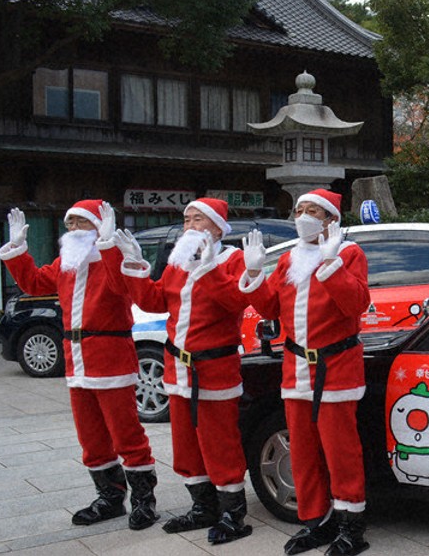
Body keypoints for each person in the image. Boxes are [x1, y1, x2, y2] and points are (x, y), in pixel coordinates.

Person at [0, 201, 159, 530]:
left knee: (127, 435)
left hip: (111, 356)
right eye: (69, 224)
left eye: (80, 223)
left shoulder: (114, 260)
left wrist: (110, 246)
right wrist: (17, 250)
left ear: (98, 227)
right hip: (78, 359)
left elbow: (119, 287)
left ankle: (144, 501)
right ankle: (110, 498)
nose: (72, 230)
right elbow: (34, 283)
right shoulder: (66, 263)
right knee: (91, 437)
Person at [239, 189, 371, 556]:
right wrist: (253, 273)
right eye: (300, 209)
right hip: (296, 368)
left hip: (336, 368)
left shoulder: (349, 254)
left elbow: (356, 304)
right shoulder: (289, 259)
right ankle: (317, 521)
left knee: (340, 451)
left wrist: (331, 267)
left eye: (313, 210)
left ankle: (351, 526)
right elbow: (270, 307)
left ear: (331, 219)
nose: (304, 216)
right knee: (302, 450)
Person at [116, 198, 252, 543]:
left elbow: (236, 301)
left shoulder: (232, 260)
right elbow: (154, 301)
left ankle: (233, 514)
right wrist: (135, 265)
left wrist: (209, 271)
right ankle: (202, 507)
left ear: (218, 228)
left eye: (198, 220)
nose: (190, 226)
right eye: (187, 219)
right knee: (186, 444)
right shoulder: (178, 262)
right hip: (178, 369)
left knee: (220, 443)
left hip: (215, 369)